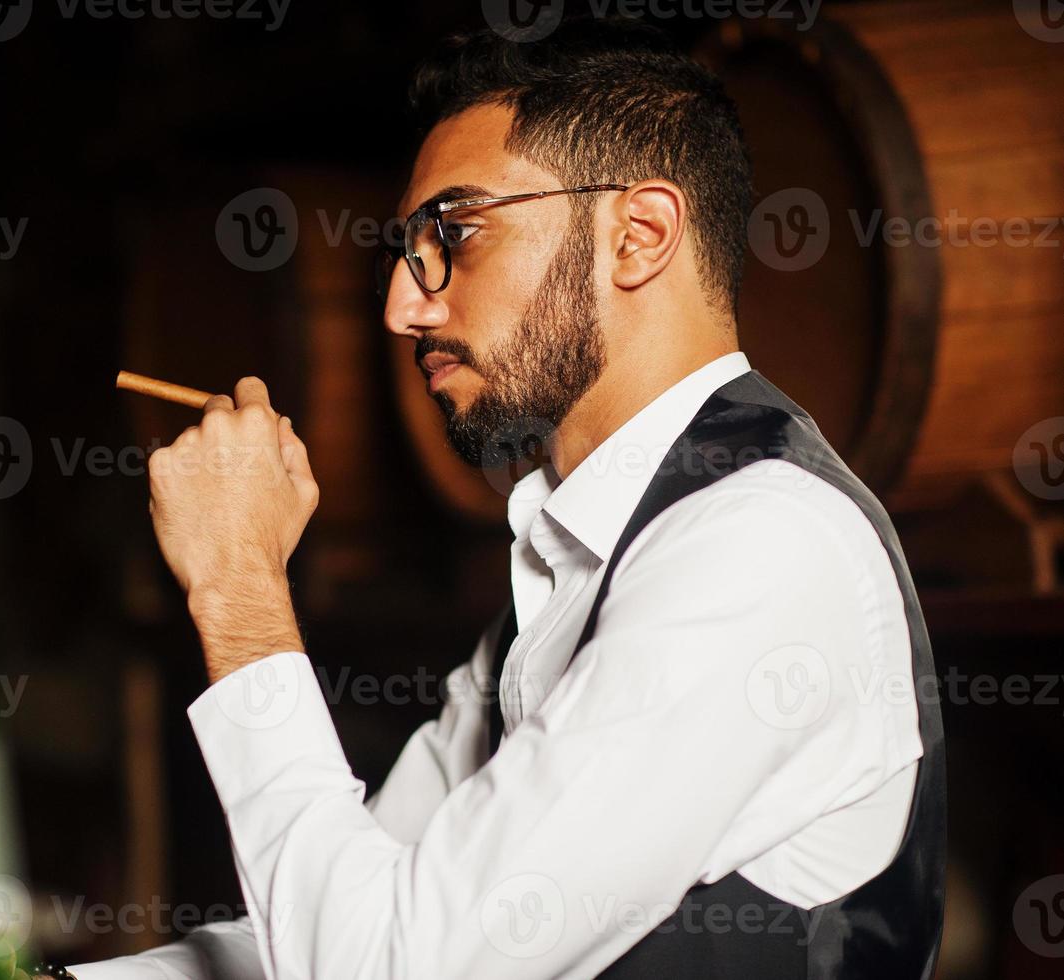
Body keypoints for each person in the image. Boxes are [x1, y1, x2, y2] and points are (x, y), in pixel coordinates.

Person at [73, 16, 944, 979]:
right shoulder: (575, 566)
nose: (403, 307)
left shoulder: (761, 546)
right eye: (407, 252)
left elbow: (379, 967)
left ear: (638, 235)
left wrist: (238, 589)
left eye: (455, 233)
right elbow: (351, 909)